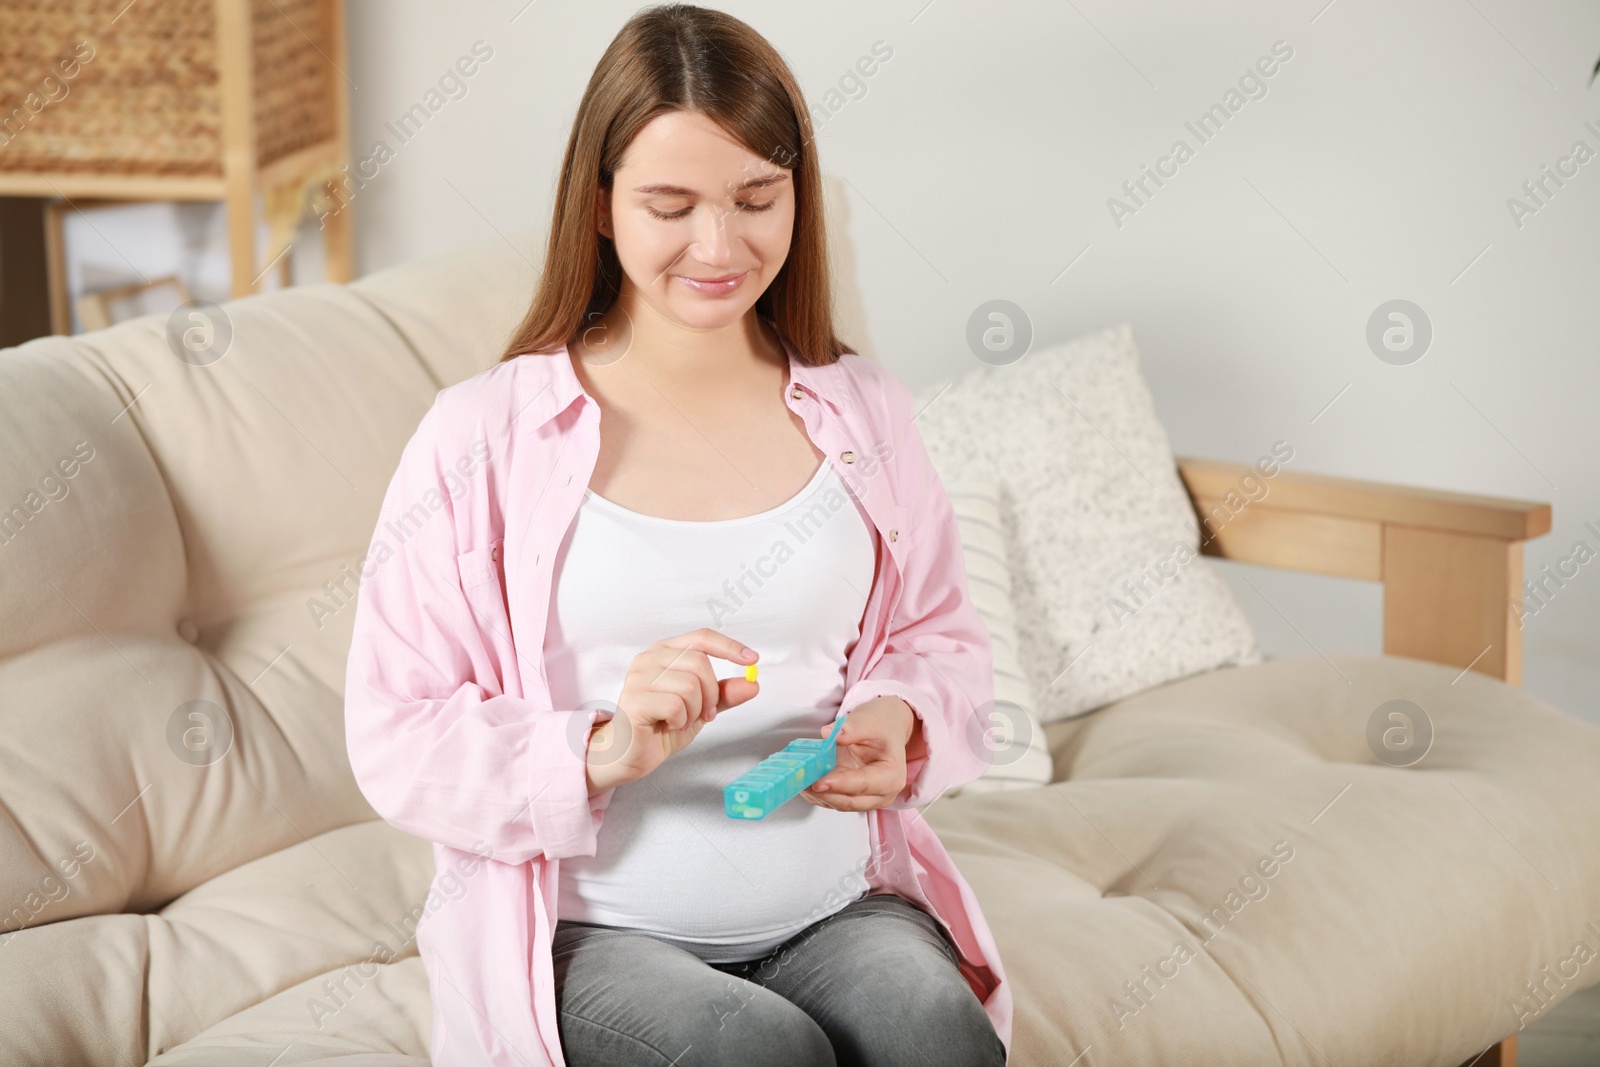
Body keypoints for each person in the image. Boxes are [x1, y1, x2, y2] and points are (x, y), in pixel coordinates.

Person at [344, 5, 1011, 1065]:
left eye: (756, 198)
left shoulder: (866, 412)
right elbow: (395, 727)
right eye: (671, 205)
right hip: (595, 930)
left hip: (834, 902)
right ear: (602, 207)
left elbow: (941, 635)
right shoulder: (484, 434)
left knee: (936, 1029)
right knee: (751, 1049)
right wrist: (596, 747)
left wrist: (902, 711)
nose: (719, 245)